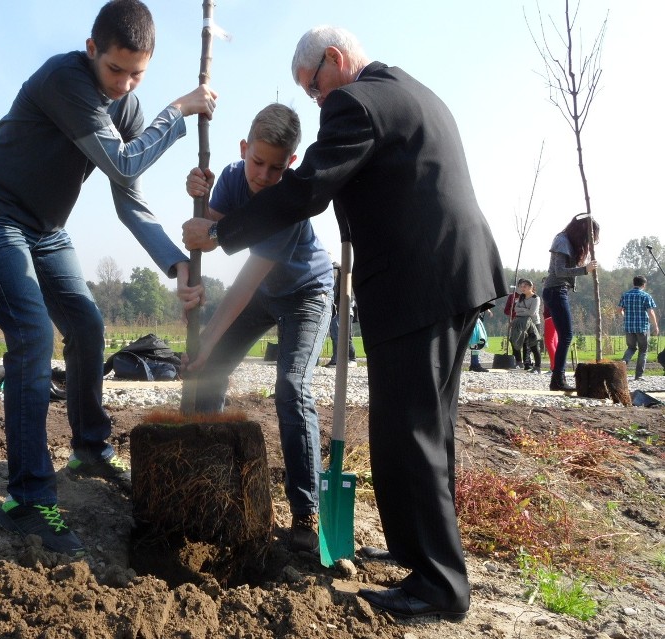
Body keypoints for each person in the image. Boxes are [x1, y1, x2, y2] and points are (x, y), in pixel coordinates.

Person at [182, 25, 505, 621]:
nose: (317, 102)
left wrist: (223, 232)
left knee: (411, 432)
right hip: (452, 277)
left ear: (334, 61)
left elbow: (309, 190)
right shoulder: (407, 90)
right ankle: (420, 552)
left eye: (314, 87)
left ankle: (440, 585)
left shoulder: (355, 102)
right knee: (424, 428)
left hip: (421, 285)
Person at [0, 0, 217, 557]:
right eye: (115, 69)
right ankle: (27, 500)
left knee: (89, 327)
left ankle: (91, 450)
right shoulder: (63, 79)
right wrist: (178, 112)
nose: (123, 85)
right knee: (32, 335)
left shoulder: (128, 107)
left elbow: (132, 203)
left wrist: (176, 264)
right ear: (92, 50)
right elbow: (122, 162)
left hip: (45, 228)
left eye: (136, 74)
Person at [184, 103, 333, 554]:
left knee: (290, 386)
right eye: (257, 162)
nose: (263, 175)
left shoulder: (289, 201)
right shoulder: (232, 176)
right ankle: (207, 475)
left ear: (291, 162)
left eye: (275, 166)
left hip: (306, 293)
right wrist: (198, 197)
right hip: (266, 294)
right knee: (209, 372)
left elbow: (246, 277)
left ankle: (306, 509)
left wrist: (209, 337)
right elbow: (208, 229)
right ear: (244, 149)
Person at [542, 214, 599, 392]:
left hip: (558, 291)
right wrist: (585, 269)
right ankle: (557, 379)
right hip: (555, 291)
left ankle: (557, 379)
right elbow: (559, 271)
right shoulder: (562, 240)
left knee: (565, 335)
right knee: (566, 336)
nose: (589, 242)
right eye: (589, 237)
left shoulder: (567, 241)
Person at [618, 275, 659, 381]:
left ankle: (622, 365)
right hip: (642, 328)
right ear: (644, 285)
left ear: (633, 283)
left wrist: (626, 317)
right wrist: (656, 326)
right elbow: (650, 312)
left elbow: (619, 310)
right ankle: (639, 376)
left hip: (629, 327)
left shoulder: (625, 295)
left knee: (631, 348)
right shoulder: (646, 296)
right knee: (643, 350)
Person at [326, 259, 357, 368]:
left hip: (341, 309)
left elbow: (333, 292)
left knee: (340, 335)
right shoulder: (342, 271)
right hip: (345, 309)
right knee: (341, 335)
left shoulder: (333, 271)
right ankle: (341, 359)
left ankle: (346, 359)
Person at [510, 279, 542, 374]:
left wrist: (522, 310)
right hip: (522, 324)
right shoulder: (521, 297)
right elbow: (516, 309)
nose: (522, 288)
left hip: (534, 324)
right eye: (521, 286)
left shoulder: (536, 298)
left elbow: (532, 313)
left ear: (531, 287)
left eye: (525, 286)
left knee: (534, 346)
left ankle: (537, 367)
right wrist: (525, 310)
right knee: (516, 340)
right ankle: (520, 363)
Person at [469, 308, 492, 372]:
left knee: (475, 342)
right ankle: (475, 364)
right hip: (474, 319)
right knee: (476, 341)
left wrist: (487, 310)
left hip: (475, 318)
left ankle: (474, 364)